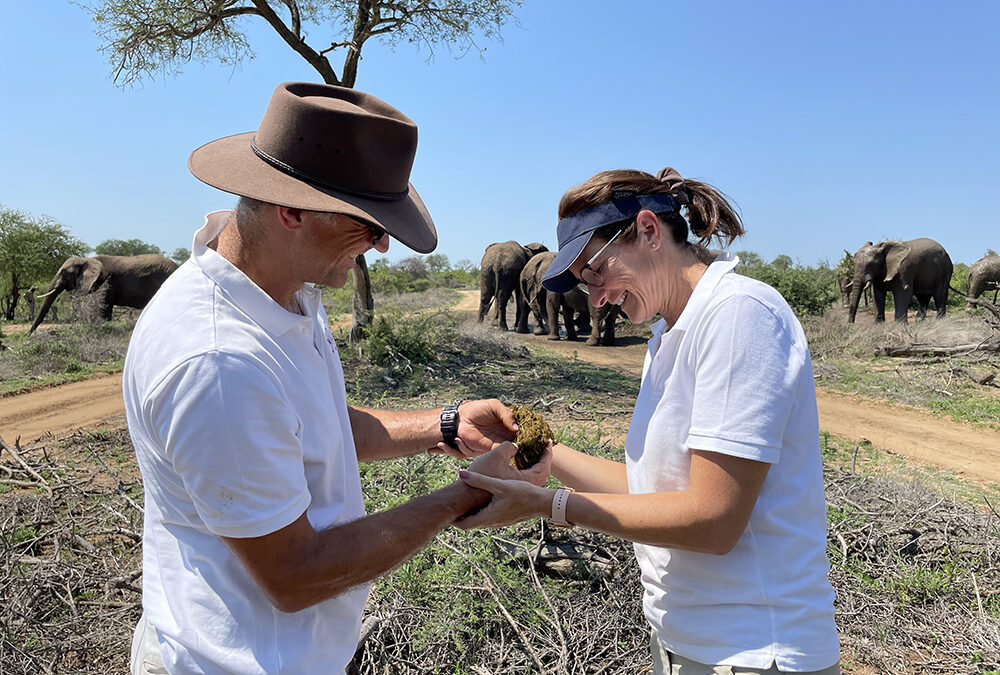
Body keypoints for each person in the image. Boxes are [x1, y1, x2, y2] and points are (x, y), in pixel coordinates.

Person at [122, 82, 547, 674]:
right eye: (368, 223)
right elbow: (294, 578)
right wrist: (467, 494)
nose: (380, 243)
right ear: (291, 210)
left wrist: (442, 424)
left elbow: (310, 424)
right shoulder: (219, 363)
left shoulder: (286, 287)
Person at [457, 167, 841, 674]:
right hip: (684, 640)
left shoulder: (739, 315)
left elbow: (714, 520)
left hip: (751, 651)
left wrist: (549, 506)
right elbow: (650, 488)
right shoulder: (667, 335)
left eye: (595, 272)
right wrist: (533, 448)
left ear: (648, 231)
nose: (595, 297)